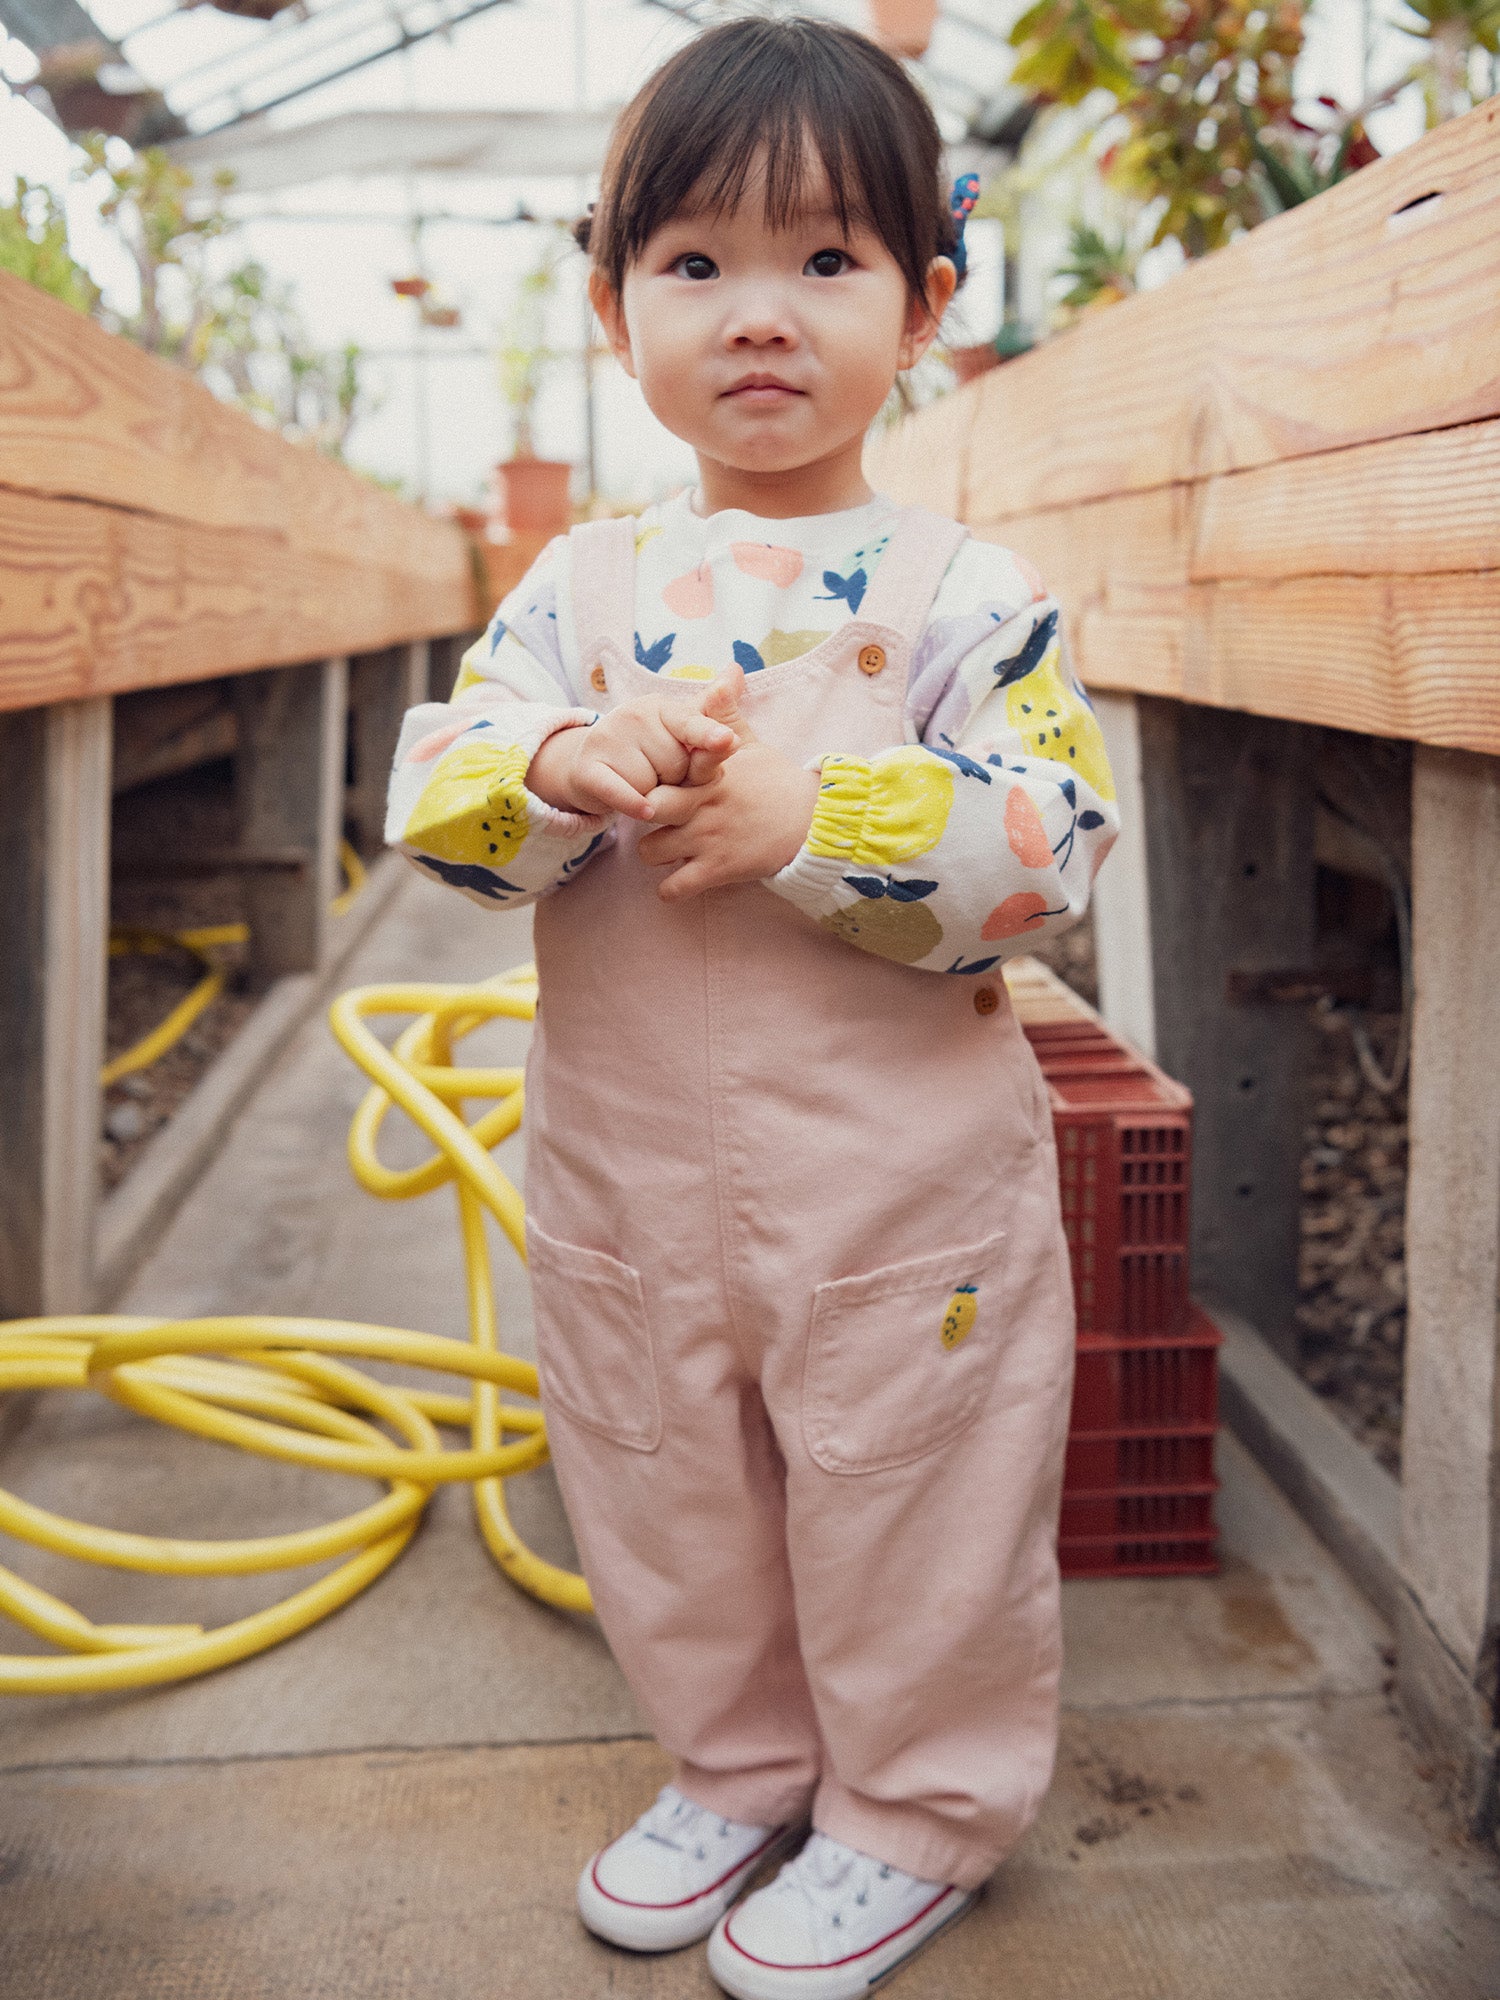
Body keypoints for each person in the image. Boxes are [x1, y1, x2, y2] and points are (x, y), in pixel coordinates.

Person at [386, 16, 1118, 1996]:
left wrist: (828, 809)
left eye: (826, 260)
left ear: (928, 301)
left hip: (897, 1190)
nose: (759, 314)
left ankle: (913, 1806)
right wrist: (547, 768)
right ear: (617, 308)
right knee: (655, 1469)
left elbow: (1057, 838)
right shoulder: (577, 588)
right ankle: (736, 1761)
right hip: (631, 1174)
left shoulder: (973, 592)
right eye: (696, 265)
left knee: (911, 1486)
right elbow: (428, 794)